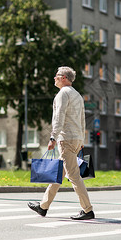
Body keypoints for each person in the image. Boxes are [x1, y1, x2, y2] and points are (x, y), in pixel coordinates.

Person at [28, 66, 95, 220]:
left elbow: (59, 117)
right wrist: (82, 139)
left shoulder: (62, 94)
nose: (54, 78)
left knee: (74, 176)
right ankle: (43, 206)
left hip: (66, 139)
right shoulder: (77, 95)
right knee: (58, 173)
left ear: (64, 78)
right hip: (76, 139)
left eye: (57, 76)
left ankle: (87, 210)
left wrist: (53, 137)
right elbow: (82, 119)